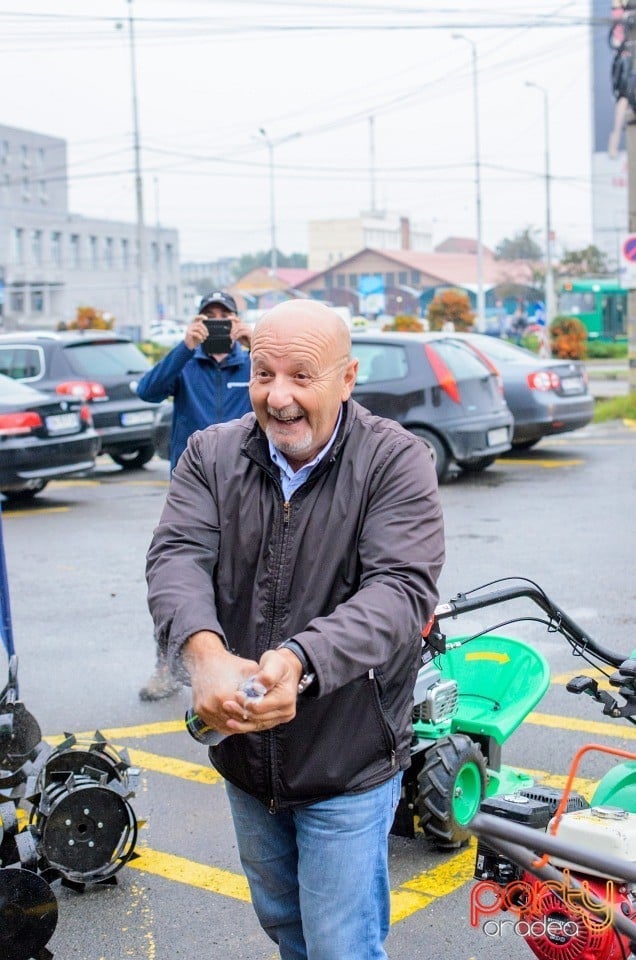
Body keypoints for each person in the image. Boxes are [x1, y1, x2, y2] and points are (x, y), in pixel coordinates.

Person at [145, 298, 445, 960]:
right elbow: (176, 559)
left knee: (341, 946)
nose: (277, 397)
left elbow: (400, 592)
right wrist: (205, 654)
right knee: (285, 923)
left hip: (348, 756)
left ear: (347, 378)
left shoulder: (397, 461)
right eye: (262, 373)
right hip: (246, 758)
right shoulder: (209, 453)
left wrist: (301, 660)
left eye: (300, 376)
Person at [137, 290, 253, 701]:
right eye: (210, 316)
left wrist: (253, 342)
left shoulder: (251, 362)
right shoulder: (188, 364)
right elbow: (147, 391)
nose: (217, 322)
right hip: (192, 487)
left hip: (246, 483)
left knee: (241, 577)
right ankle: (167, 665)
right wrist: (185, 346)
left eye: (225, 316)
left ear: (237, 321)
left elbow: (287, 386)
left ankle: (234, 662)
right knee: (178, 575)